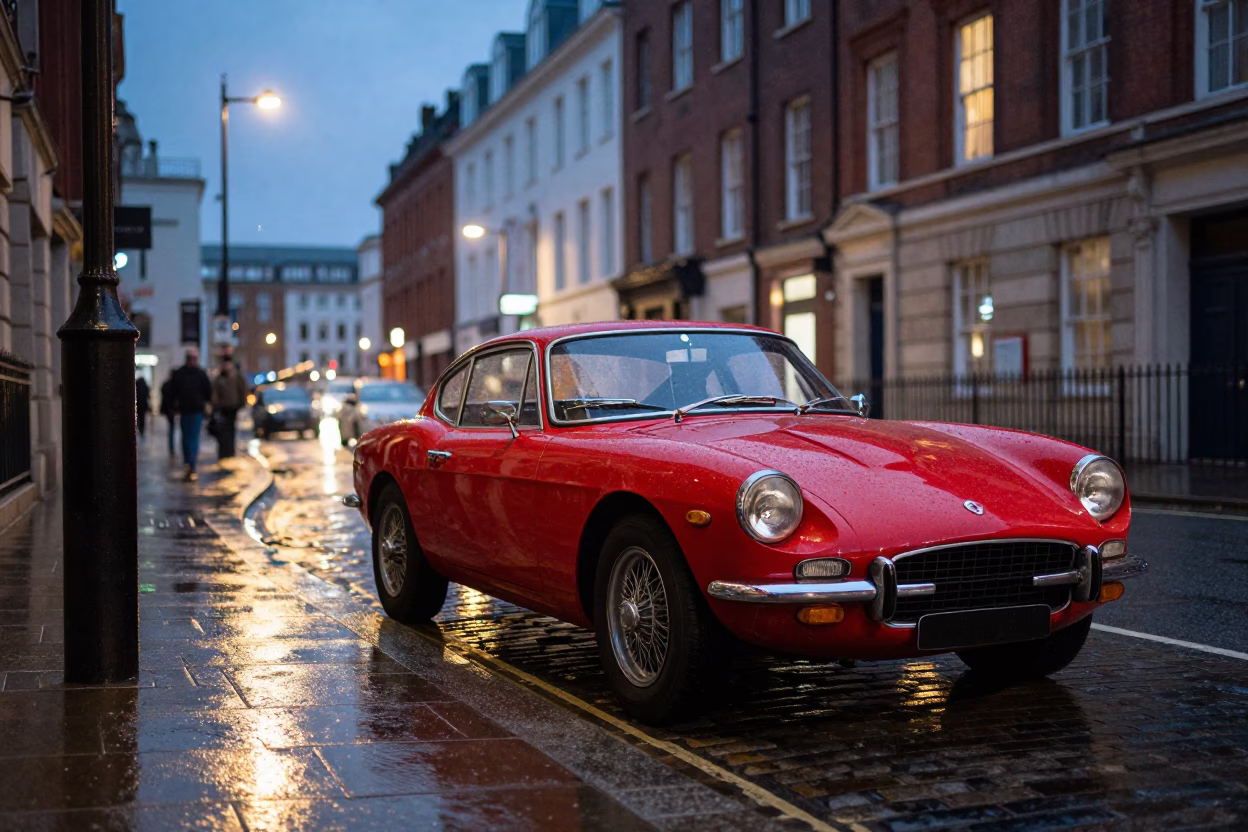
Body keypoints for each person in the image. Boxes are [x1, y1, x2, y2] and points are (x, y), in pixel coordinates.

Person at [170, 347, 212, 481]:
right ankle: (188, 463)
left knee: (192, 438)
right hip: (185, 410)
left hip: (196, 410)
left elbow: (208, 391)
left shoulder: (199, 374)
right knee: (187, 438)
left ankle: (191, 464)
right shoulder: (183, 374)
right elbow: (173, 391)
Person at [211, 357, 249, 459]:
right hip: (222, 408)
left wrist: (242, 403)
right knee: (222, 430)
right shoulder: (219, 378)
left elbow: (243, 389)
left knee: (231, 429)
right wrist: (215, 404)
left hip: (233, 407)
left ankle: (230, 451)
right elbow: (214, 392)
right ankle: (223, 451)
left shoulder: (236, 376)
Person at [159, 372, 177, 457]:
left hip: (167, 409)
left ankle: (171, 448)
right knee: (172, 428)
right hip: (171, 409)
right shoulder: (174, 385)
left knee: (171, 428)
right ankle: (172, 448)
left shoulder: (166, 384)